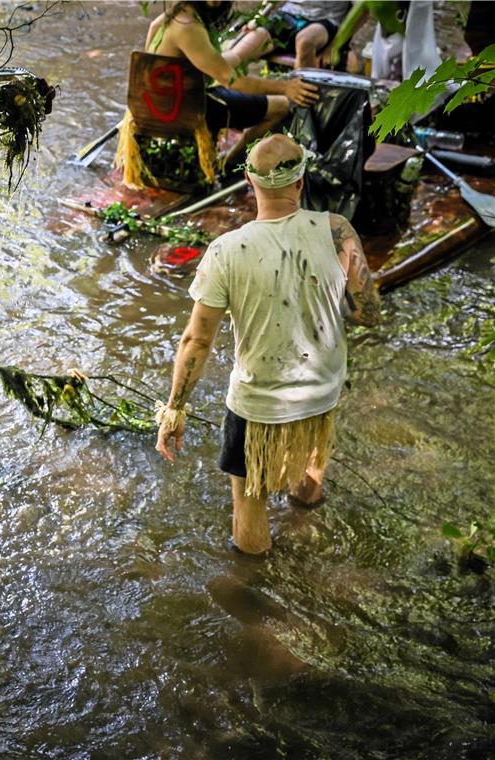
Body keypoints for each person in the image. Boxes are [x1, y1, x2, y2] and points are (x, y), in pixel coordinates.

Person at [155, 133, 381, 555]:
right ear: (301, 181)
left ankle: (254, 594)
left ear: (247, 181)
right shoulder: (337, 231)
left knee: (249, 500)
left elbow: (197, 340)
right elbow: (367, 312)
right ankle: (306, 528)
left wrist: (175, 408)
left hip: (258, 403)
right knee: (310, 473)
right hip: (322, 389)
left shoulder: (227, 250)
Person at [142, 1, 320, 159]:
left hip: (161, 105)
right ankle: (230, 165)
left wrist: (238, 55)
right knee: (282, 106)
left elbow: (210, 62)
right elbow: (231, 80)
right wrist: (286, 87)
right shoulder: (189, 26)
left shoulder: (166, 18)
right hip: (187, 109)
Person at [228, 1, 353, 70]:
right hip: (287, 16)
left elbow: (361, 11)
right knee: (240, 51)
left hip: (325, 20)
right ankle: (210, 84)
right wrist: (256, 20)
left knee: (305, 41)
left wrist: (335, 46)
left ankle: (300, 103)